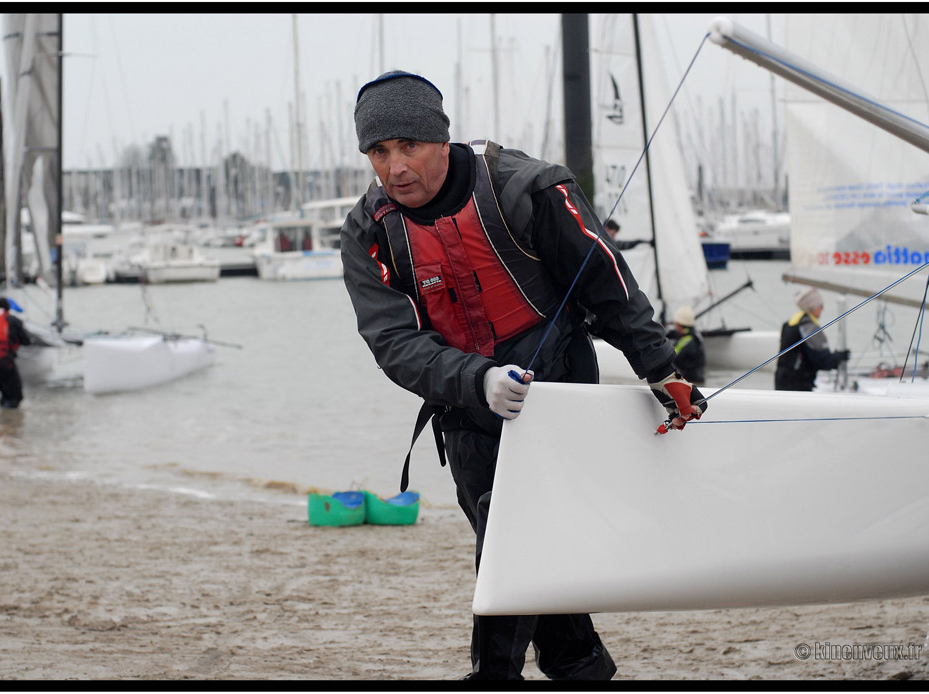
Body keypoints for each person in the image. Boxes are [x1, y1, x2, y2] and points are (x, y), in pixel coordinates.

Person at [340, 70, 706, 681]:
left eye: (409, 146)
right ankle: (580, 663)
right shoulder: (369, 231)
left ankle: (497, 674)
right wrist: (477, 379)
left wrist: (661, 371)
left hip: (558, 391)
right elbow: (392, 342)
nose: (395, 166)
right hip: (465, 404)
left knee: (512, 531)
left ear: (440, 139)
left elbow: (608, 284)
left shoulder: (526, 187)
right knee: (520, 532)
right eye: (379, 151)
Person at [774, 287, 850, 391]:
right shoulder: (809, 327)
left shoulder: (790, 323)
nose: (822, 308)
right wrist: (840, 356)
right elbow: (822, 361)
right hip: (798, 386)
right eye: (820, 305)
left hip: (782, 382)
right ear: (812, 307)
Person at [667, 305, 705, 385]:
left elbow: (673, 358)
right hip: (698, 380)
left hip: (691, 383)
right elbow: (675, 334)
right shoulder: (694, 335)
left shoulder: (687, 341)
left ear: (678, 324)